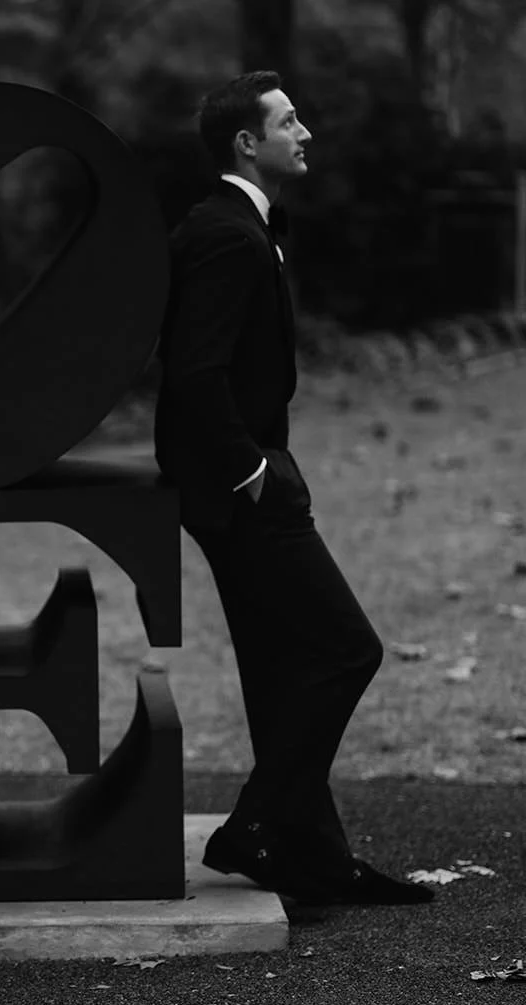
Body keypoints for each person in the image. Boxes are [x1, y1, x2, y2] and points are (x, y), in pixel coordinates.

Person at [156, 73, 432, 906]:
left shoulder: (241, 226)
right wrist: (252, 472)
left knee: (283, 666)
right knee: (348, 649)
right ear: (248, 142)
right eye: (288, 121)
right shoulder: (227, 235)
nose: (305, 132)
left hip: (242, 475)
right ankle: (255, 826)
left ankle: (317, 857)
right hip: (236, 486)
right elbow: (193, 374)